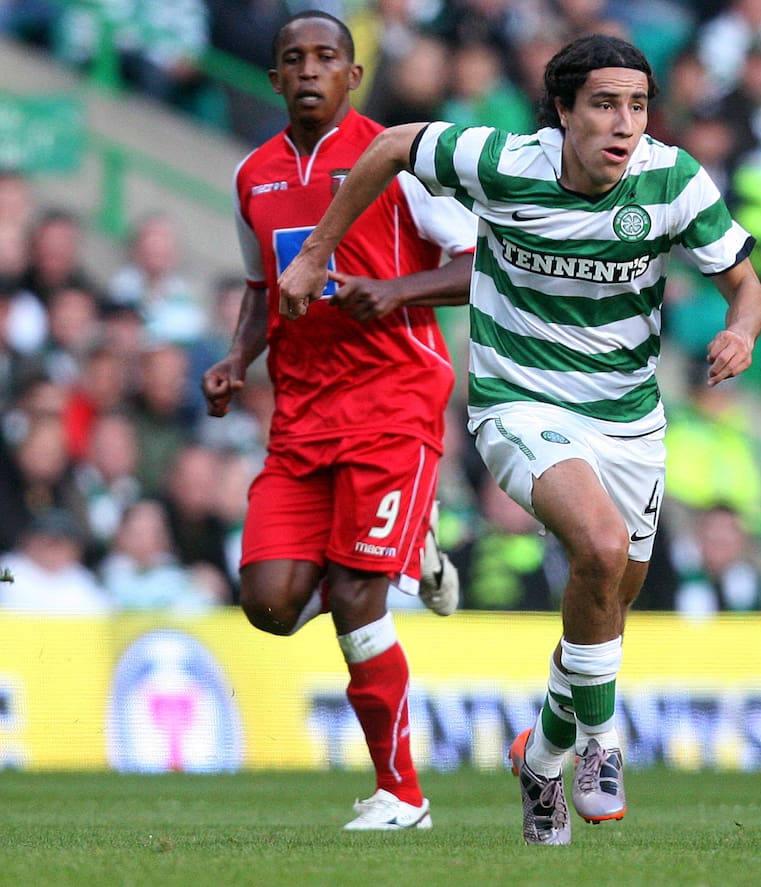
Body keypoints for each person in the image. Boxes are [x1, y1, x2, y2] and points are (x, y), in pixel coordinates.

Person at [278, 32, 761, 846]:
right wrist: (317, 254)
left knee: (607, 597)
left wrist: (741, 332)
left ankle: (542, 754)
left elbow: (745, 290)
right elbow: (396, 144)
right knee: (601, 546)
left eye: (638, 106)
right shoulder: (505, 161)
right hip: (518, 399)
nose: (624, 125)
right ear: (565, 112)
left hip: (628, 419)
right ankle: (602, 744)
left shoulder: (673, 179)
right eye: (605, 105)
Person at [199, 11, 477, 832]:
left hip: (394, 397)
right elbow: (263, 287)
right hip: (301, 410)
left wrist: (393, 292)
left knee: (355, 593)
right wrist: (237, 358)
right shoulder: (253, 173)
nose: (311, 69)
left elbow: (479, 263)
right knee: (270, 602)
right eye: (294, 60)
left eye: (327, 57)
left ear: (353, 76)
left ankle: (403, 794)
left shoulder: (398, 159)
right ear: (275, 78)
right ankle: (402, 554)